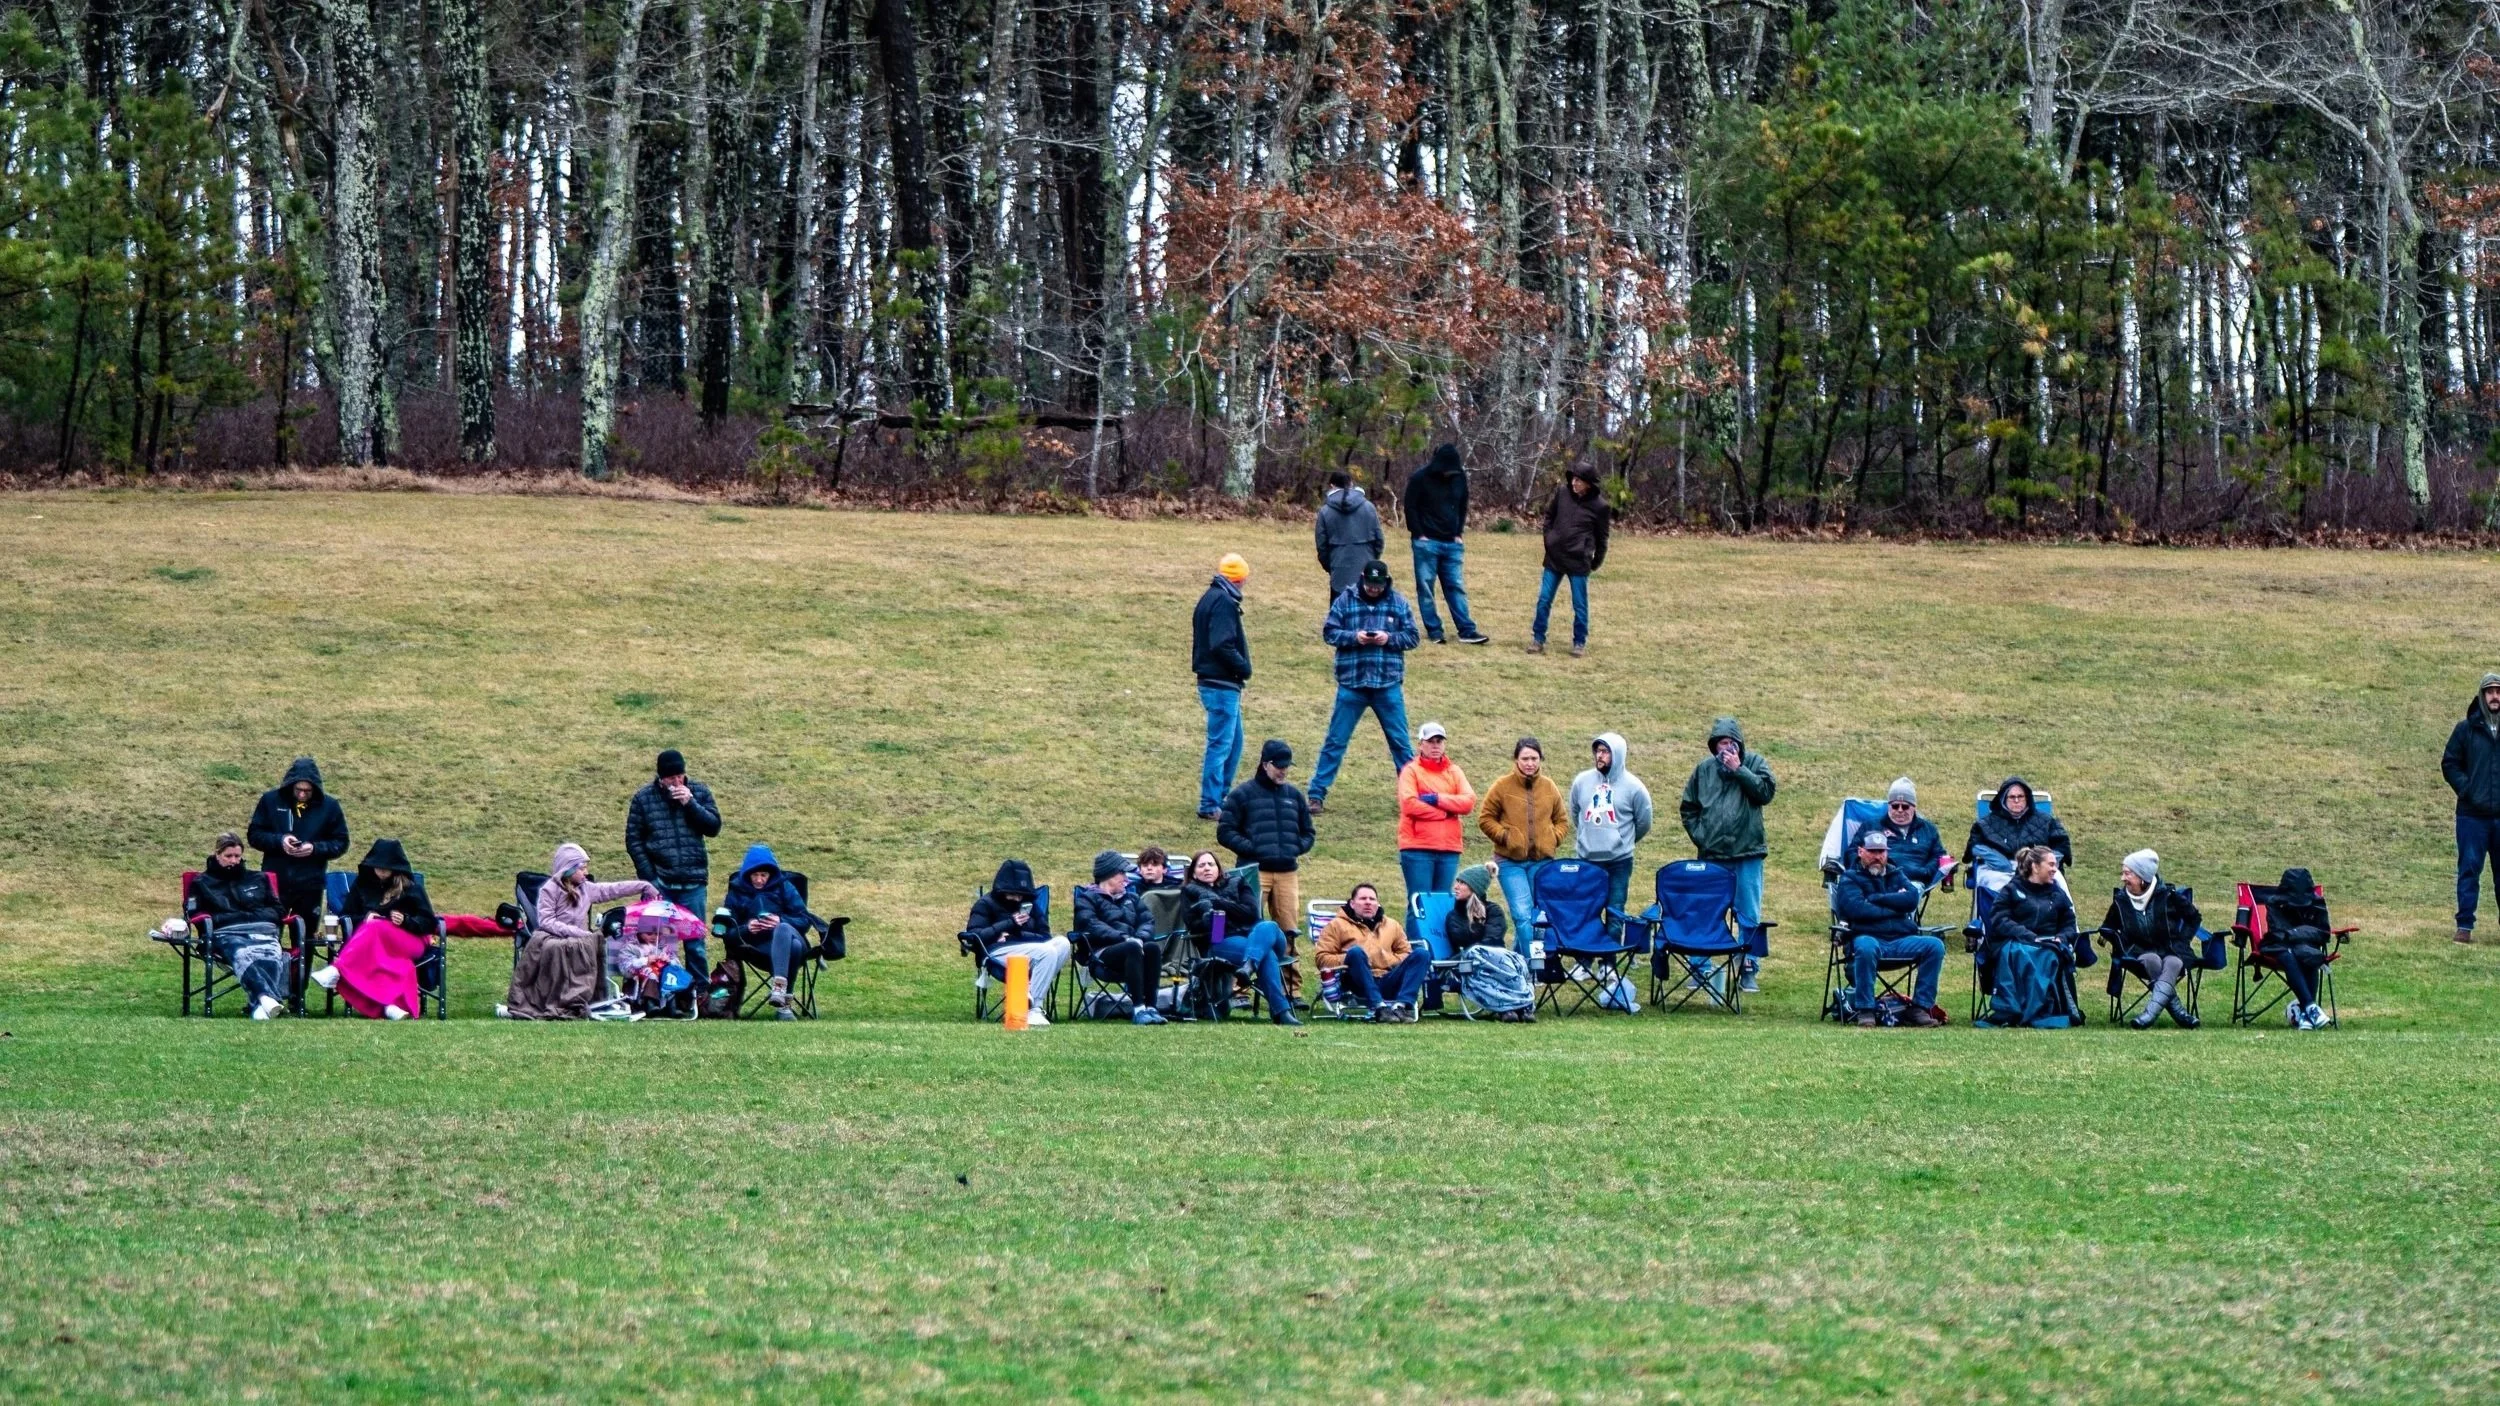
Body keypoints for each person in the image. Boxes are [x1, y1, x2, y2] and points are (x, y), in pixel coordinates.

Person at [1307, 559, 1420, 815]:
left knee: (1401, 744)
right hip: (1352, 684)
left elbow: (1413, 637)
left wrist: (1389, 639)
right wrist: (1354, 637)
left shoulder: (1399, 603)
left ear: (1386, 582)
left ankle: (1411, 797)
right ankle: (1316, 795)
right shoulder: (1345, 601)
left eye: (1378, 585)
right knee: (1335, 741)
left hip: (1386, 685)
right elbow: (1329, 632)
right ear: (1362, 578)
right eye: (1370, 584)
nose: (1373, 589)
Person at [506, 842, 655, 1021]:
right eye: (581, 868)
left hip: (580, 939)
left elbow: (614, 888)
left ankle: (580, 998)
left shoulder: (587, 889)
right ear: (567, 870)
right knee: (557, 948)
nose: (585, 873)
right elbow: (546, 921)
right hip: (552, 936)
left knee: (586, 942)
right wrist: (575, 932)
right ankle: (554, 999)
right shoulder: (550, 890)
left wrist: (643, 886)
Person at [1679, 717, 1775, 991]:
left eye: (1732, 743)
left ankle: (1748, 968)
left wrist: (1740, 770)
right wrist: (1702, 836)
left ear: (1740, 744)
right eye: (1722, 743)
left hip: (1747, 853)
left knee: (1748, 913)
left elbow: (1765, 793)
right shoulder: (1703, 771)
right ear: (1714, 745)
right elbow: (1689, 808)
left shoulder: (1755, 763)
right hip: (1712, 856)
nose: (1727, 748)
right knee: (1705, 911)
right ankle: (1700, 968)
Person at [1218, 739, 1317, 988]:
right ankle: (1238, 990)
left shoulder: (1294, 796)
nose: (1283, 770)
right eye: (1279, 765)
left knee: (1289, 931)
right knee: (1246, 926)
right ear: (1265, 764)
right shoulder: (1242, 794)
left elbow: (1309, 833)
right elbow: (1225, 831)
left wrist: (1295, 848)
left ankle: (1291, 989)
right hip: (1253, 872)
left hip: (1287, 873)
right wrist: (1253, 850)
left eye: (1286, 766)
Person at [309, 838, 437, 1020]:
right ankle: (389, 1007)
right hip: (374, 946)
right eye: (378, 866)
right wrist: (364, 918)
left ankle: (337, 968)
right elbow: (346, 916)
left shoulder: (411, 889)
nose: (381, 871)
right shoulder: (362, 885)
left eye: (386, 867)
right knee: (396, 962)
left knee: (375, 926)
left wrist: (406, 921)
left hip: (410, 940)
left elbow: (429, 922)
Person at [1831, 830, 1944, 1027]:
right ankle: (1865, 1009)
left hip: (1900, 940)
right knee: (1865, 946)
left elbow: (1911, 899)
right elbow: (1856, 909)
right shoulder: (1850, 878)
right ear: (1860, 852)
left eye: (1881, 852)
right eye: (1872, 851)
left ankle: (1919, 1008)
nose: (1877, 857)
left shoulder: (1896, 873)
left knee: (1934, 945)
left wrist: (1876, 899)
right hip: (1868, 938)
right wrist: (1895, 905)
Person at [626, 749, 723, 977]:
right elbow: (633, 839)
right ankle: (657, 991)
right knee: (656, 942)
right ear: (661, 778)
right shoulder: (643, 799)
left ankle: (700, 992)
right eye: (671, 778)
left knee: (695, 943)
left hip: (693, 881)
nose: (677, 782)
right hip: (661, 882)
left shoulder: (698, 792)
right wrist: (650, 877)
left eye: (680, 776)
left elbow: (713, 827)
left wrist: (690, 804)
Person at [1182, 850, 1301, 1025]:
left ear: (1218, 868)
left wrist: (1218, 903)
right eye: (1201, 865)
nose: (1206, 868)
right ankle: (1281, 1011)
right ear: (1193, 873)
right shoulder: (1190, 893)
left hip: (1262, 935)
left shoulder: (1238, 882)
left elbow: (1251, 913)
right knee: (1267, 956)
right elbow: (1193, 924)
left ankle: (1250, 964)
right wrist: (1212, 920)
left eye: (1210, 864)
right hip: (1223, 940)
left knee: (1269, 925)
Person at [186, 831, 292, 1020]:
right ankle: (266, 998)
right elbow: (194, 913)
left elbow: (278, 910)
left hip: (263, 931)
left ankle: (261, 1005)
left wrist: (245, 916)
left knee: (272, 955)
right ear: (217, 855)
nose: (233, 861)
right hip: (226, 934)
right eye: (228, 856)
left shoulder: (258, 878)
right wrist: (237, 919)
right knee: (243, 954)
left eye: (237, 856)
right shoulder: (202, 883)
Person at [722, 844, 835, 1020]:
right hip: (758, 948)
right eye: (755, 875)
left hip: (790, 934)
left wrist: (780, 921)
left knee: (783, 928)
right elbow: (725, 931)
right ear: (747, 874)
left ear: (770, 874)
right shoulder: (737, 892)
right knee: (795, 947)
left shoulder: (785, 887)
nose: (759, 880)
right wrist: (746, 928)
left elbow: (804, 920)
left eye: (763, 875)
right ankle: (784, 1007)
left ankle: (779, 987)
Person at [1478, 736, 1568, 957]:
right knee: (1521, 914)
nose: (1530, 763)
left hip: (1542, 863)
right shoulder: (1502, 786)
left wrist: (1552, 838)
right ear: (1516, 759)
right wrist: (1506, 837)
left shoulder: (1549, 787)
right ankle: (1532, 966)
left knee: (1538, 916)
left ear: (1540, 760)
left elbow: (1562, 820)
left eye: (1534, 758)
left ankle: (1518, 958)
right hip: (1509, 863)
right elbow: (1485, 818)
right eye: (1525, 758)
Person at [2097, 849, 2202, 1030]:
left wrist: (2183, 941)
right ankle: (2180, 1014)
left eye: (2128, 873)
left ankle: (2148, 1016)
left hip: (2172, 949)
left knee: (2173, 963)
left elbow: (2194, 918)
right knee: (2152, 959)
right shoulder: (2121, 901)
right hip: (2139, 952)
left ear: (2143, 877)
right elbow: (2107, 927)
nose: (2123, 878)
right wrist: (2117, 942)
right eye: (2123, 872)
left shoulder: (2169, 896)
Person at [963, 859, 1071, 1027]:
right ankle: (1034, 1009)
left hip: (1031, 951)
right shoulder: (985, 904)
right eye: (1012, 894)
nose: (1017, 898)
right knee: (1047, 952)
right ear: (1002, 891)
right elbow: (974, 935)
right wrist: (1008, 923)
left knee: (1063, 943)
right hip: (996, 952)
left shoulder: (1031, 905)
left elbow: (1045, 936)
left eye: (1020, 895)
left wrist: (1015, 934)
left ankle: (1028, 994)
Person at [246, 756, 349, 929]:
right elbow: (254, 835)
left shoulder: (329, 807)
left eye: (307, 791)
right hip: (275, 882)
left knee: (305, 937)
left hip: (310, 884)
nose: (302, 794)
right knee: (269, 930)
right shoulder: (270, 801)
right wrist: (280, 841)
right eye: (298, 789)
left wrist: (315, 848)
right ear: (291, 785)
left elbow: (341, 842)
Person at [1401, 443, 1489, 645]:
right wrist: (1419, 534)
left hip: (1452, 543)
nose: (1450, 474)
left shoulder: (1459, 478)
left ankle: (1467, 630)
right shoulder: (1419, 478)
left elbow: (1462, 504)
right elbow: (1410, 507)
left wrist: (1458, 533)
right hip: (1426, 543)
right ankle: (1434, 631)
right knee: (1426, 588)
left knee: (1456, 587)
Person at [1073, 850, 1170, 1025]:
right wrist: (1124, 938)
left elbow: (1148, 921)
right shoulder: (1087, 899)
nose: (1126, 878)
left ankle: (1151, 1007)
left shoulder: (1132, 898)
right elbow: (1092, 925)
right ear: (1108, 874)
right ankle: (1139, 1009)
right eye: (1122, 873)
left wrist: (1140, 937)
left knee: (1152, 947)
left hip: (1133, 952)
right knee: (1132, 947)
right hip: (1101, 956)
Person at [1192, 554, 1255, 820]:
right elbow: (1222, 644)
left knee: (1234, 742)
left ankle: (1221, 797)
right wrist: (1243, 666)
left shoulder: (1210, 597)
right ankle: (1210, 803)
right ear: (1240, 579)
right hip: (1221, 684)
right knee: (1221, 744)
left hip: (1216, 682)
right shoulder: (1224, 603)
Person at [1980, 844, 2080, 1008]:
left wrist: (2060, 938)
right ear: (2035, 866)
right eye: (2051, 864)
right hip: (2014, 943)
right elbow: (2000, 920)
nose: (2055, 869)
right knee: (2024, 953)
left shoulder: (2058, 894)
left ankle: (2046, 1007)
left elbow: (2069, 924)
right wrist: (2029, 937)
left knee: (2051, 954)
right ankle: (2019, 1008)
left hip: (2049, 944)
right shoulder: (2011, 890)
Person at [1568, 732, 1653, 919]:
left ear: (1618, 754)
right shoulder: (1581, 782)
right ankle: (1587, 947)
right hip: (1586, 859)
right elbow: (1576, 813)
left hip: (1618, 862)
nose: (1600, 756)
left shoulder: (1635, 788)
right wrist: (1587, 835)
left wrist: (1622, 840)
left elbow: (1644, 822)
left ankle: (1611, 949)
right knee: (1585, 911)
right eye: (1598, 751)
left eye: (1606, 751)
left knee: (1615, 912)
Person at [2442, 672, 2500, 943]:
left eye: (2498, 691)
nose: (2495, 696)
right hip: (2471, 817)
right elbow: (2450, 763)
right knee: (2469, 870)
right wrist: (2468, 790)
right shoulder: (2465, 730)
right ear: (2481, 695)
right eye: (2489, 692)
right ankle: (2464, 926)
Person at [1316, 883, 1429, 1022]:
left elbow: (1406, 953)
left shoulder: (1392, 925)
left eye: (1372, 899)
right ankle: (1379, 1007)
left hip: (1387, 979)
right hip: (1357, 982)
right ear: (1352, 903)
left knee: (1422, 954)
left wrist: (1385, 959)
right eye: (1363, 899)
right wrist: (1349, 959)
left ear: (1378, 903)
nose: (1368, 902)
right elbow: (1322, 959)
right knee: (1356, 952)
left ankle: (1401, 1007)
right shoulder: (1336, 925)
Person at [1396, 721, 1476, 913]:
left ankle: (1437, 944)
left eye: (1439, 741)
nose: (1435, 745)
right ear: (1420, 744)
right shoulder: (1411, 771)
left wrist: (1438, 799)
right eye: (1430, 741)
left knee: (1442, 905)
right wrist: (1445, 812)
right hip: (1417, 848)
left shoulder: (1454, 771)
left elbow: (1468, 802)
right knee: (1419, 904)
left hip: (1449, 848)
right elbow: (1409, 804)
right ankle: (1415, 944)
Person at [1531, 465, 1610, 657]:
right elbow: (1549, 517)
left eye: (1578, 480)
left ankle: (1579, 642)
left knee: (1579, 604)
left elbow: (1602, 539)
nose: (1573, 483)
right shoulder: (1562, 493)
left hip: (1579, 561)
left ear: (1588, 484)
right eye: (1573, 479)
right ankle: (1538, 639)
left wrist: (1595, 561)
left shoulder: (1601, 507)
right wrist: (1549, 539)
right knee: (1544, 600)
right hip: (1555, 557)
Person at [2260, 867, 2337, 1030]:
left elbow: (2324, 933)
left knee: (2309, 956)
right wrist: (2303, 933)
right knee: (2290, 955)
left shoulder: (2317, 903)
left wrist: (2295, 934)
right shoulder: (2275, 903)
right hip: (2277, 947)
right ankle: (2311, 1008)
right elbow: (2279, 933)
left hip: (2305, 948)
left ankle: (2305, 1014)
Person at [1964, 775, 2070, 875]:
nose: (2016, 800)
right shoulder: (1986, 823)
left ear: (2027, 798)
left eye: (2020, 796)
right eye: (2012, 797)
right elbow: (1975, 845)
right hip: (2001, 871)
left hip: (2040, 871)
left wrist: (2044, 864)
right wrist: (1999, 862)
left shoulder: (2046, 820)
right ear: (2003, 799)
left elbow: (2061, 845)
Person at [1315, 471, 1384, 596]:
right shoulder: (1369, 507)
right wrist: (1372, 560)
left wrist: (1331, 567)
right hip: (1365, 569)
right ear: (1351, 484)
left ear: (1332, 486)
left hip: (1339, 571)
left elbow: (1322, 546)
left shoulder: (1325, 511)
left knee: (1339, 612)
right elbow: (1379, 540)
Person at [1876, 777, 1951, 891]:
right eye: (1895, 806)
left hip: (1913, 882)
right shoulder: (1873, 826)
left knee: (1904, 897)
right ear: (1888, 806)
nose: (1900, 810)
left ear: (1914, 808)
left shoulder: (1928, 830)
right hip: (1879, 880)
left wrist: (1926, 871)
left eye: (1905, 806)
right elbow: (1854, 851)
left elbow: (1939, 856)